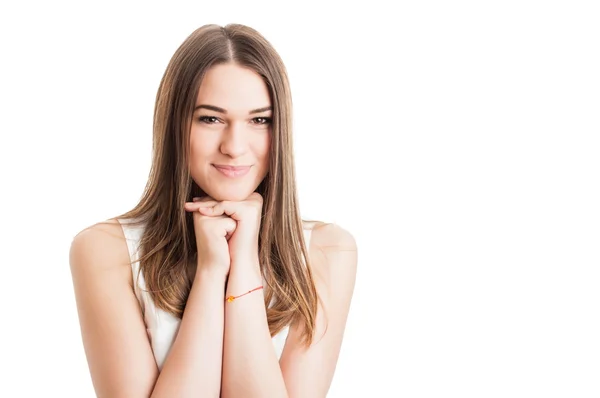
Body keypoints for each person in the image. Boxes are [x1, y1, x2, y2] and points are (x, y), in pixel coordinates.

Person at [69, 23, 357, 398]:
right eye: (211, 118)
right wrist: (210, 271)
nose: (235, 147)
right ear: (175, 124)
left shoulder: (327, 251)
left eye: (259, 120)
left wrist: (244, 260)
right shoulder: (106, 249)